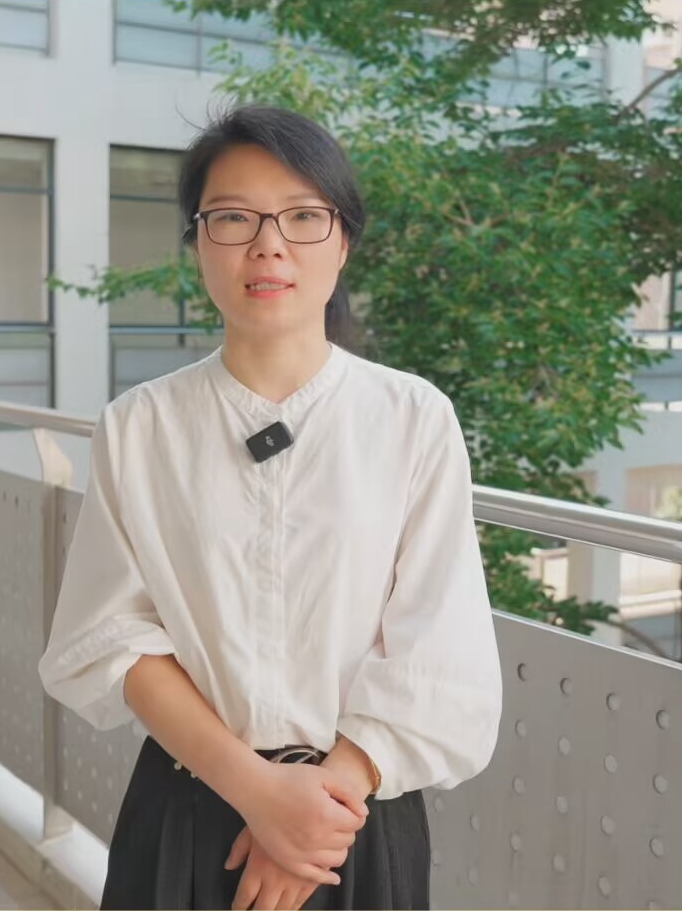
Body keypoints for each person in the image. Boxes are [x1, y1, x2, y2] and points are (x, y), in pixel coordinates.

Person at [38, 104, 502, 911]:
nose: (268, 245)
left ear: (342, 241)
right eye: (232, 218)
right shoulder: (140, 425)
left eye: (302, 216)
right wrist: (259, 792)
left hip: (355, 822)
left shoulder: (410, 418)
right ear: (196, 242)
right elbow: (112, 634)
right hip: (189, 808)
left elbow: (438, 646)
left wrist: (313, 815)